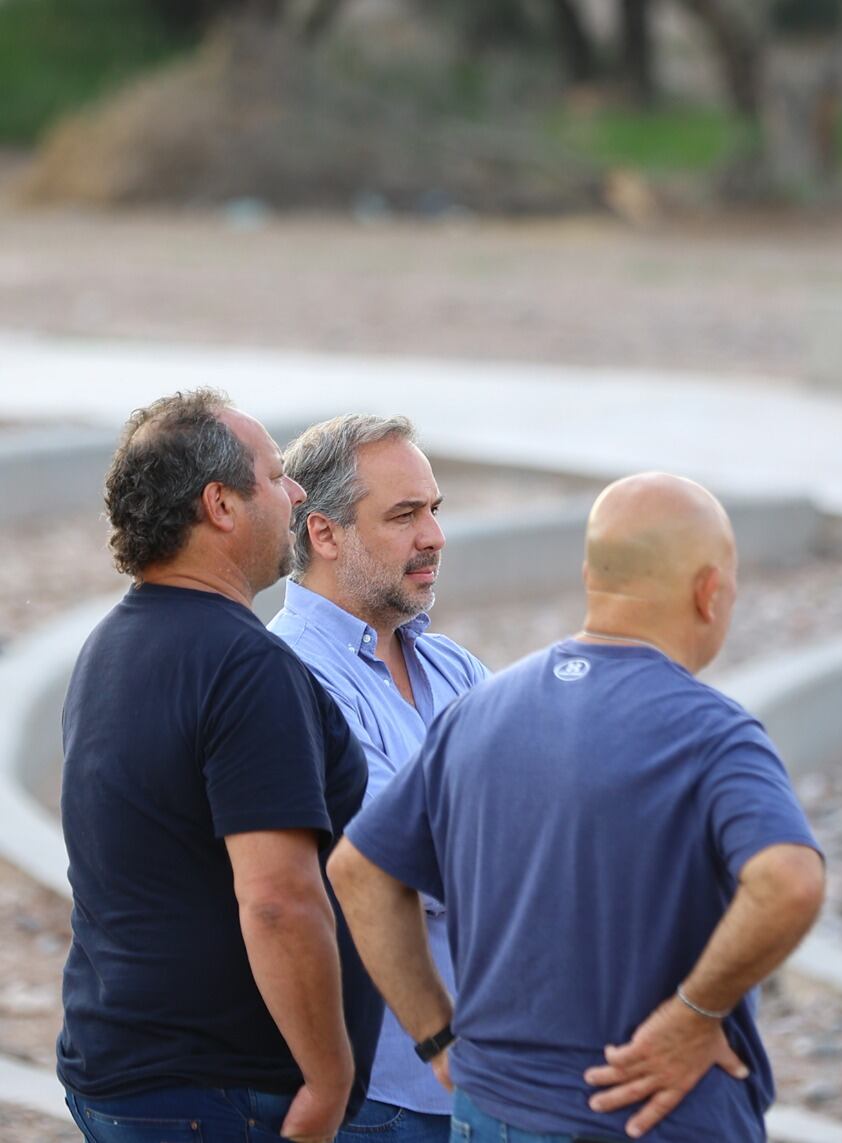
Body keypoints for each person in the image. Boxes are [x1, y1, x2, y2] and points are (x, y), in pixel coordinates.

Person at [326, 472, 825, 1143]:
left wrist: (438, 1036)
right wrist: (693, 1013)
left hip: (489, 1114)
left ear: (592, 576)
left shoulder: (479, 713)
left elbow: (359, 869)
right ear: (710, 592)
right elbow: (790, 880)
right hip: (648, 1119)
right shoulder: (713, 731)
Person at [56, 390, 381, 1143]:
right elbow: (277, 898)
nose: (297, 492)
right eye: (274, 475)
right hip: (216, 1095)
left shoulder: (110, 645)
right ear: (221, 505)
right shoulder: (245, 666)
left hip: (120, 1069)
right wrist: (331, 1080)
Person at [268, 415, 490, 1143]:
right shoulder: (284, 674)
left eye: (434, 509)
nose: (434, 536)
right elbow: (400, 868)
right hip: (381, 1093)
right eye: (404, 515)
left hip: (482, 1069)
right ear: (325, 534)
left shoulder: (454, 666)